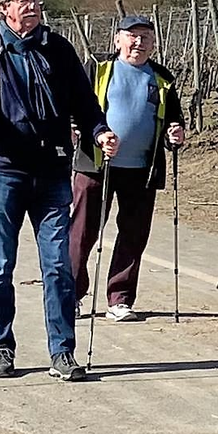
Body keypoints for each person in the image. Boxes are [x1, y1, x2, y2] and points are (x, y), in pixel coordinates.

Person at [0, 0, 118, 382]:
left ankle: (62, 352)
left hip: (52, 172)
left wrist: (100, 132)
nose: (33, 6)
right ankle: (1, 348)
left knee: (59, 265)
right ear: (3, 7)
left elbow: (84, 101)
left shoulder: (57, 49)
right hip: (5, 171)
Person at [70, 16, 184, 321]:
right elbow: (75, 107)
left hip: (141, 169)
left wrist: (175, 134)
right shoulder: (98, 68)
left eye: (146, 37)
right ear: (118, 40)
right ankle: (72, 295)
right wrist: (80, 131)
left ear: (153, 43)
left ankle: (119, 299)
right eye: (132, 36)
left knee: (134, 234)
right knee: (82, 232)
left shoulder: (162, 77)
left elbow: (173, 119)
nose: (139, 42)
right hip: (96, 165)